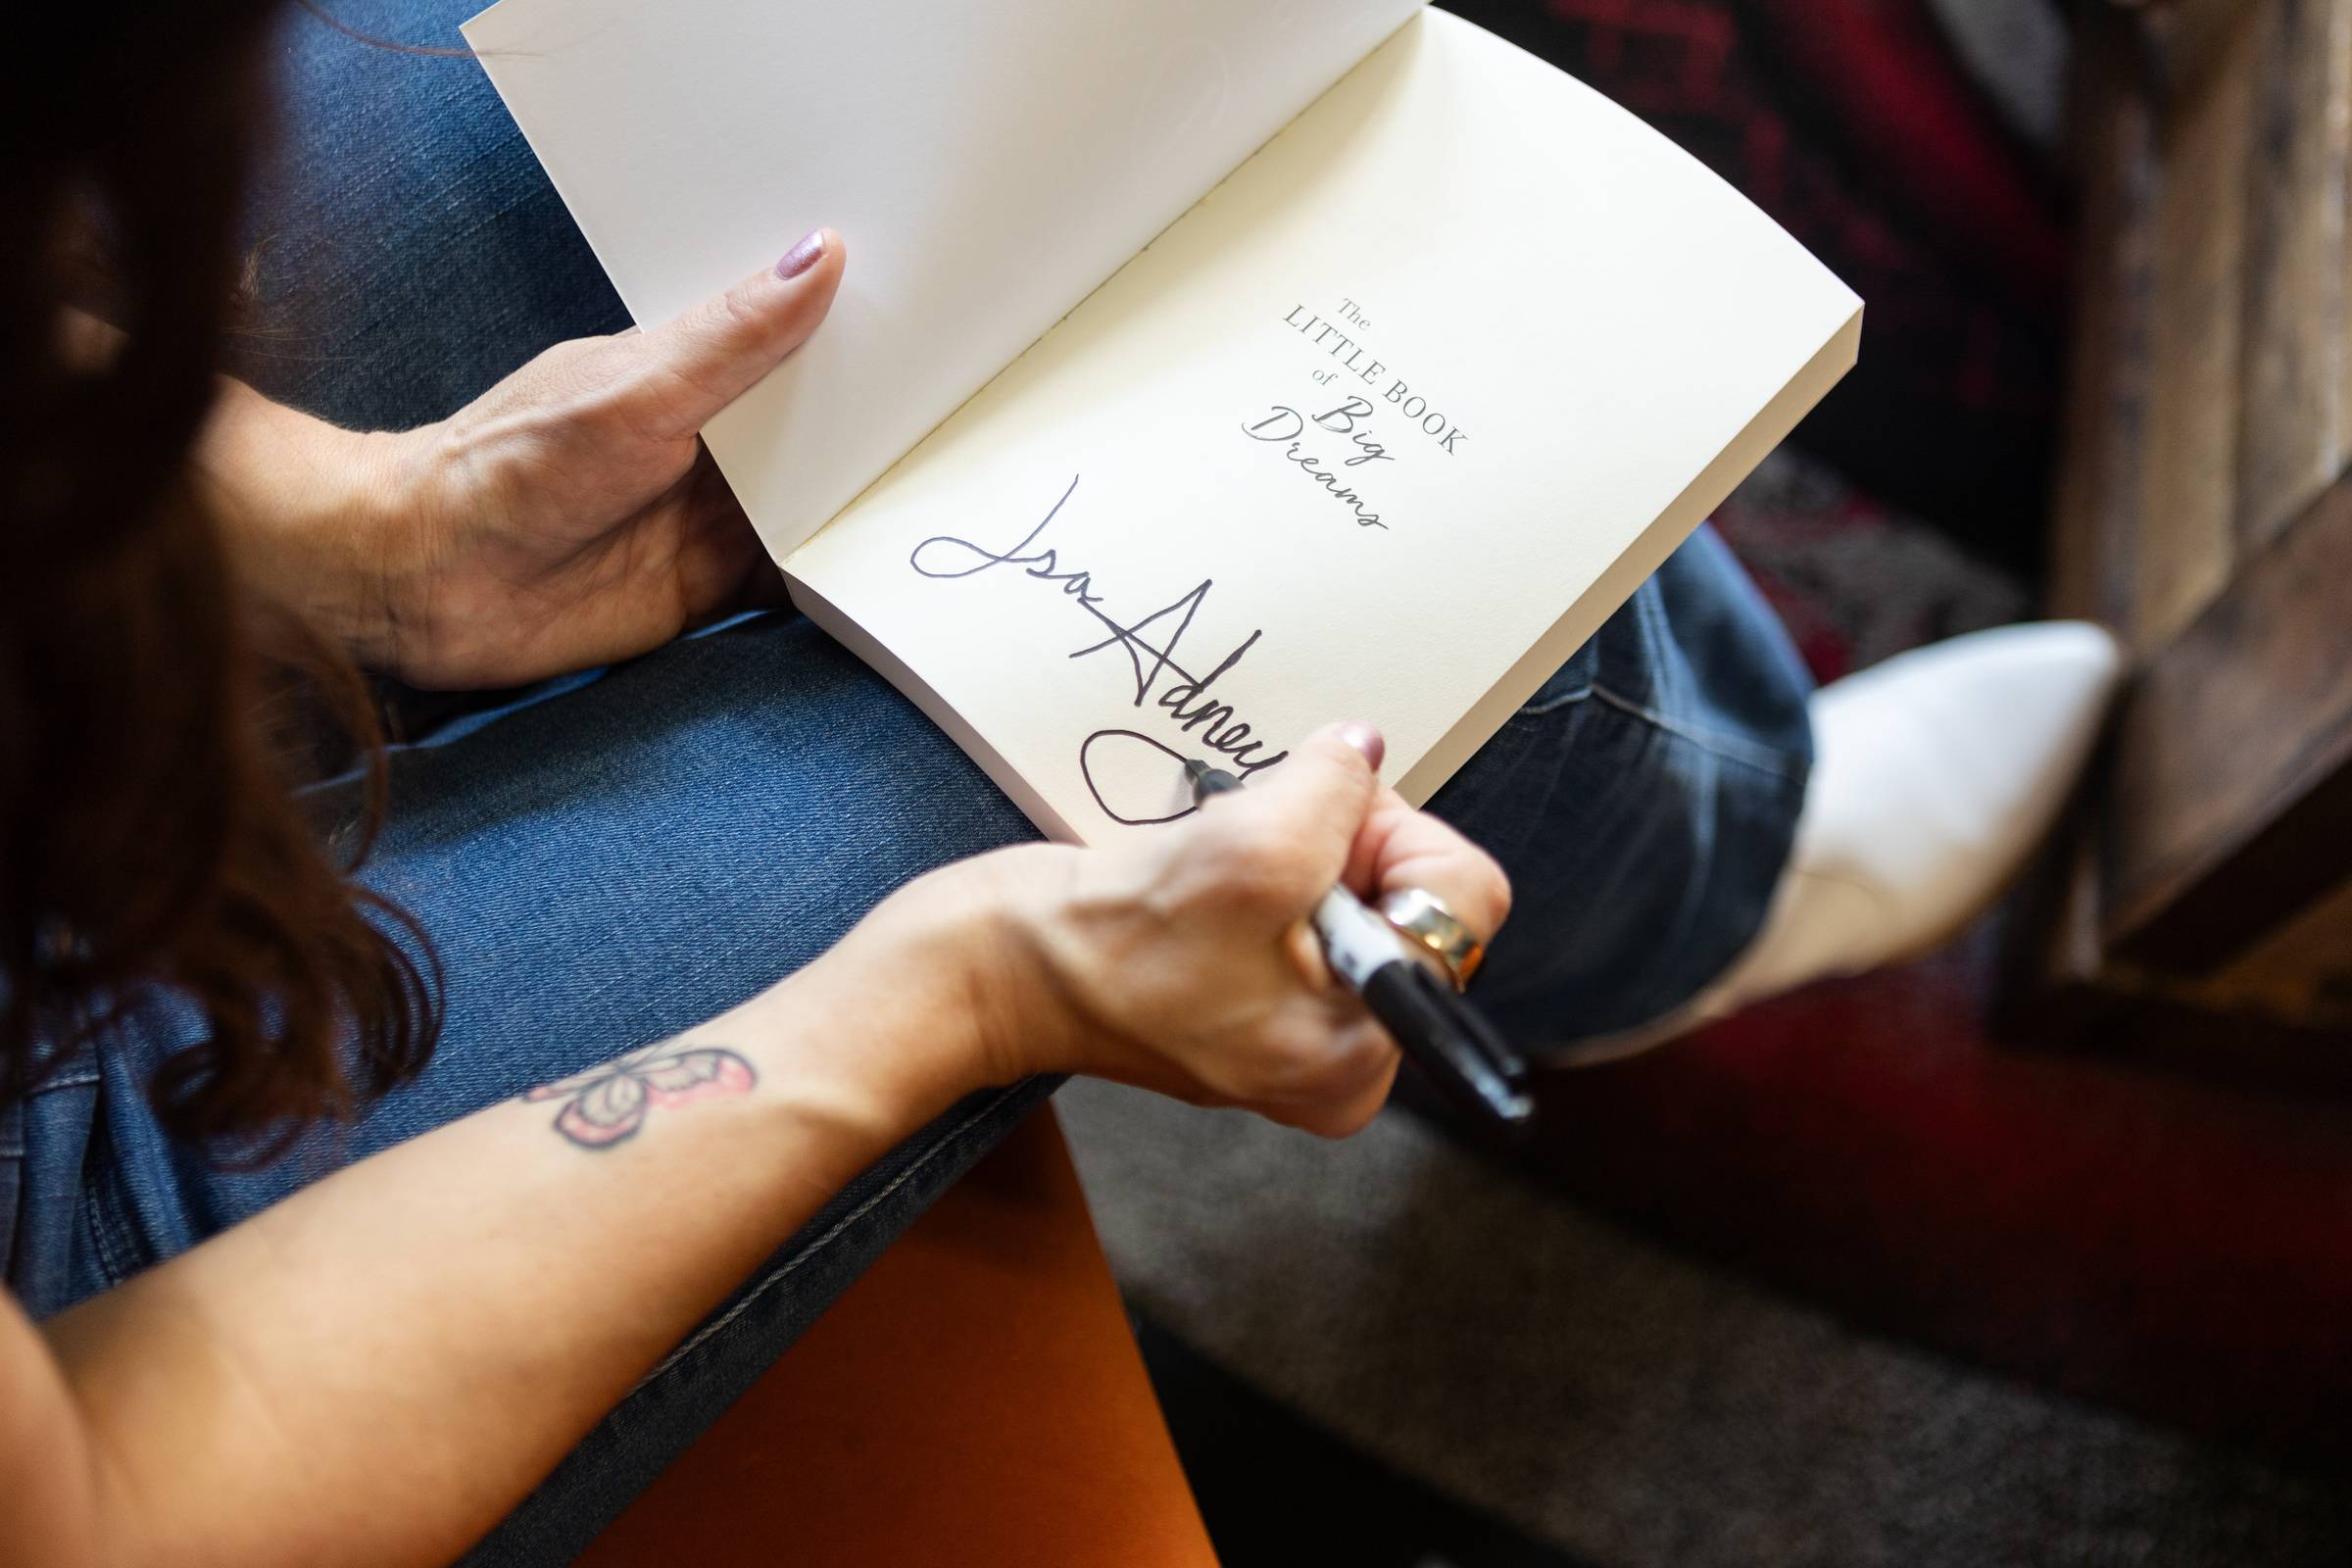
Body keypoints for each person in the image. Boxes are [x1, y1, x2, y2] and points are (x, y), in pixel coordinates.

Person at [0, 4, 2119, 1564]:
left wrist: (389, 531)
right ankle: (1700, 882)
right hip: (101, 1339)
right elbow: (104, 1501)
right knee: (1377, 637)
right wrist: (958, 990)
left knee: (704, 153)